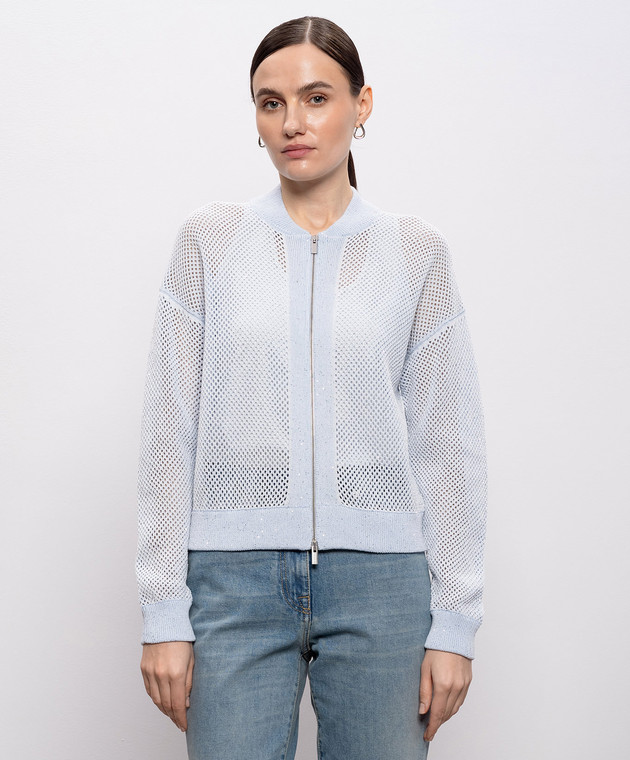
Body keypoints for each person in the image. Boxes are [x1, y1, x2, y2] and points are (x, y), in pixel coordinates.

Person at [136, 15, 487, 760]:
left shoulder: (415, 252)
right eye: (271, 103)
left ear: (362, 105)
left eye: (316, 98)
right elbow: (170, 428)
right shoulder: (210, 242)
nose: (292, 122)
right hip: (231, 581)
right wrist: (163, 610)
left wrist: (455, 624)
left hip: (382, 587)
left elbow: (449, 442)